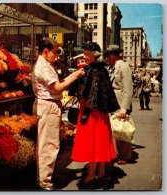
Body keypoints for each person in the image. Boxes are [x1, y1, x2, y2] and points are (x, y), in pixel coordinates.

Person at [31, 37, 85, 190]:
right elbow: (58, 87)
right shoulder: (43, 67)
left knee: (47, 145)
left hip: (49, 106)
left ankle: (43, 179)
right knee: (49, 146)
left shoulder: (46, 65)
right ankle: (45, 183)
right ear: (46, 51)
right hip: (48, 106)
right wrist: (75, 75)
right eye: (55, 53)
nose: (58, 56)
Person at [69, 42, 120, 189]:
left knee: (93, 143)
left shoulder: (93, 69)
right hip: (99, 112)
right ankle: (101, 172)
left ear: (93, 54)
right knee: (101, 141)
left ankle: (91, 175)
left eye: (86, 53)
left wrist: (86, 109)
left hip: (91, 112)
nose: (84, 56)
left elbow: (90, 92)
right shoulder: (101, 69)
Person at [104, 45, 133, 165]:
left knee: (122, 131)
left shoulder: (124, 67)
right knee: (115, 130)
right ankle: (116, 153)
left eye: (108, 56)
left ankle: (125, 156)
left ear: (113, 55)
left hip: (121, 104)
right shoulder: (113, 67)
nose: (107, 59)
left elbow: (128, 89)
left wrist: (124, 108)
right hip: (113, 104)